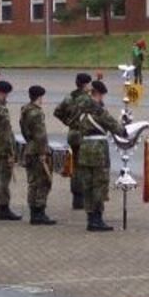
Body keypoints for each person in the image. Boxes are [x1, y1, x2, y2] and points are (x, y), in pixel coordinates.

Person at [76, 80, 128, 231]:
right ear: (98, 94)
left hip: (84, 150)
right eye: (102, 96)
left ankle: (90, 217)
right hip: (98, 151)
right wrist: (125, 128)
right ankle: (97, 219)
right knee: (99, 184)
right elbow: (115, 127)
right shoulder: (98, 111)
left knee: (88, 185)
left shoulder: (81, 110)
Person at [53, 73, 92, 210]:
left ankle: (77, 197)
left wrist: (68, 122)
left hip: (72, 134)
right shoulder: (87, 99)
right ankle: (83, 196)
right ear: (86, 84)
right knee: (84, 167)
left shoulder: (69, 98)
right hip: (84, 135)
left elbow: (57, 112)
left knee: (75, 167)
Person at [20, 85, 56, 225]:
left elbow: (24, 130)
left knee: (32, 182)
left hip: (29, 148)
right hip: (37, 151)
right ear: (39, 97)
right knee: (43, 182)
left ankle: (33, 212)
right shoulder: (37, 113)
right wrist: (43, 152)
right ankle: (39, 211)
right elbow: (40, 135)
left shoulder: (25, 110)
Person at [0, 79, 21, 220]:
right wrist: (11, 152)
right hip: (2, 146)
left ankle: (0, 205)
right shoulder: (1, 110)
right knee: (3, 179)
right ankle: (3, 206)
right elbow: (6, 133)